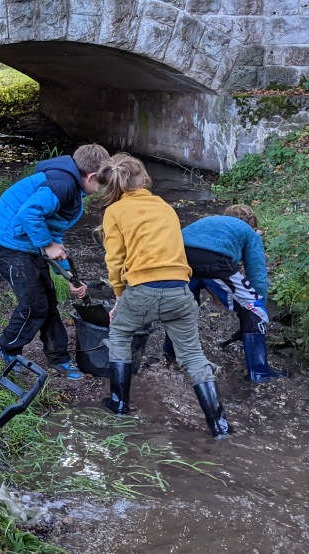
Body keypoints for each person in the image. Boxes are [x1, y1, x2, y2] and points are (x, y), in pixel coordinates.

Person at [94, 154, 232, 439]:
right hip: (180, 291)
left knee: (119, 333)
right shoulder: (166, 207)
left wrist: (120, 297)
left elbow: (115, 260)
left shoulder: (115, 212)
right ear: (144, 180)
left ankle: (119, 404)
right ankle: (219, 425)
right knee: (193, 355)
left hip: (142, 290)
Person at [0, 145, 110, 380]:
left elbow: (53, 231)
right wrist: (47, 244)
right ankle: (7, 346)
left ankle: (58, 356)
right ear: (91, 177)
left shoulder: (70, 187)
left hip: (27, 245)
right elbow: (28, 214)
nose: (99, 191)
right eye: (100, 186)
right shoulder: (62, 184)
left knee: (49, 302)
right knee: (33, 304)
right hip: (9, 245)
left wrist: (70, 277)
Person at [174, 205, 288, 382]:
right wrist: (258, 310)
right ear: (253, 226)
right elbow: (257, 276)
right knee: (254, 309)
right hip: (214, 260)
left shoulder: (208, 222)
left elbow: (201, 264)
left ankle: (171, 358)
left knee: (182, 308)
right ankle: (259, 373)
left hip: (178, 255)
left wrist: (215, 293)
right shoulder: (249, 233)